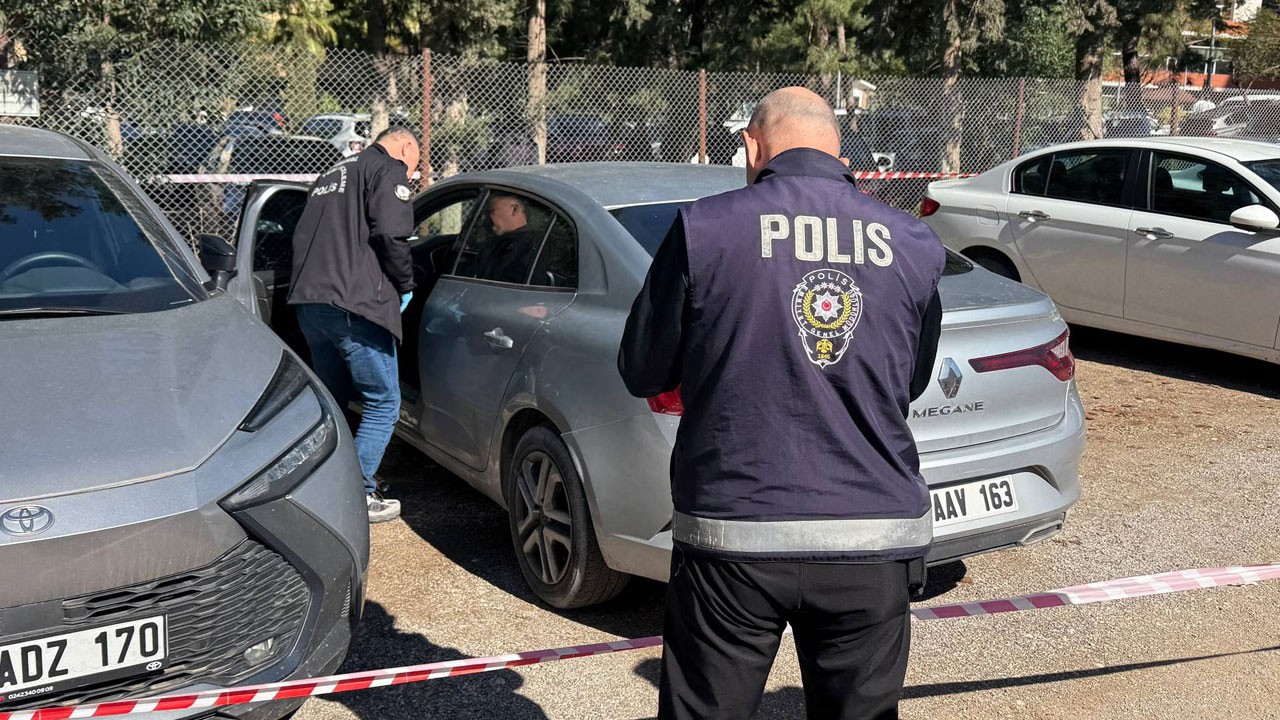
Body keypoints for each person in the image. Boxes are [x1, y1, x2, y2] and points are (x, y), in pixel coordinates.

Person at [618, 87, 946, 720]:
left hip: (733, 534)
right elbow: (910, 379)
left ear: (752, 144)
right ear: (838, 146)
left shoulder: (704, 228)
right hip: (872, 534)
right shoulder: (910, 240)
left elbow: (641, 368)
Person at [288, 126, 420, 524]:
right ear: (405, 146)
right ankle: (356, 494)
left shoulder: (333, 173)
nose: (412, 174)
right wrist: (406, 283)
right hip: (354, 306)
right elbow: (393, 234)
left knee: (334, 401)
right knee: (383, 403)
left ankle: (326, 484)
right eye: (414, 163)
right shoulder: (385, 167)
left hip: (310, 303)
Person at [474, 193, 540, 284]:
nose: (483, 218)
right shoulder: (501, 241)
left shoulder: (530, 246)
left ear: (514, 209)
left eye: (491, 211)